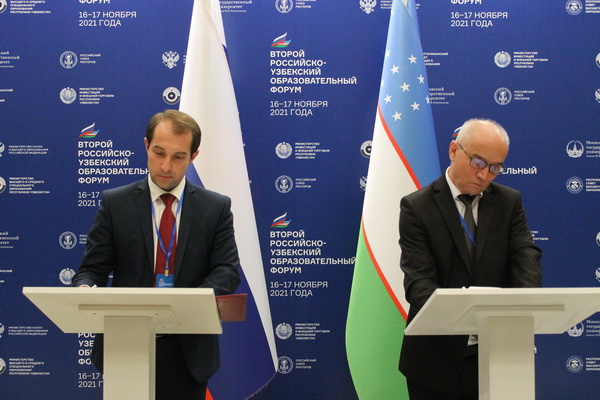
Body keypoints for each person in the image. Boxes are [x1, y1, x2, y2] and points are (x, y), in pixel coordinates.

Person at [72, 109, 241, 400]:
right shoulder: (116, 204)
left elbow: (226, 271)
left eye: (178, 157)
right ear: (146, 145)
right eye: (158, 153)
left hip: (189, 350)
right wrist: (85, 289)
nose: (166, 166)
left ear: (194, 156)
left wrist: (189, 304)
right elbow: (91, 269)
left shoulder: (215, 208)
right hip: (126, 345)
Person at [398, 118, 542, 399]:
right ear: (454, 150)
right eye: (478, 163)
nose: (485, 175)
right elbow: (419, 283)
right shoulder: (417, 207)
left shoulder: (509, 202)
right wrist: (468, 316)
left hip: (498, 354)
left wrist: (524, 304)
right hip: (436, 360)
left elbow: (525, 257)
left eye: (495, 168)